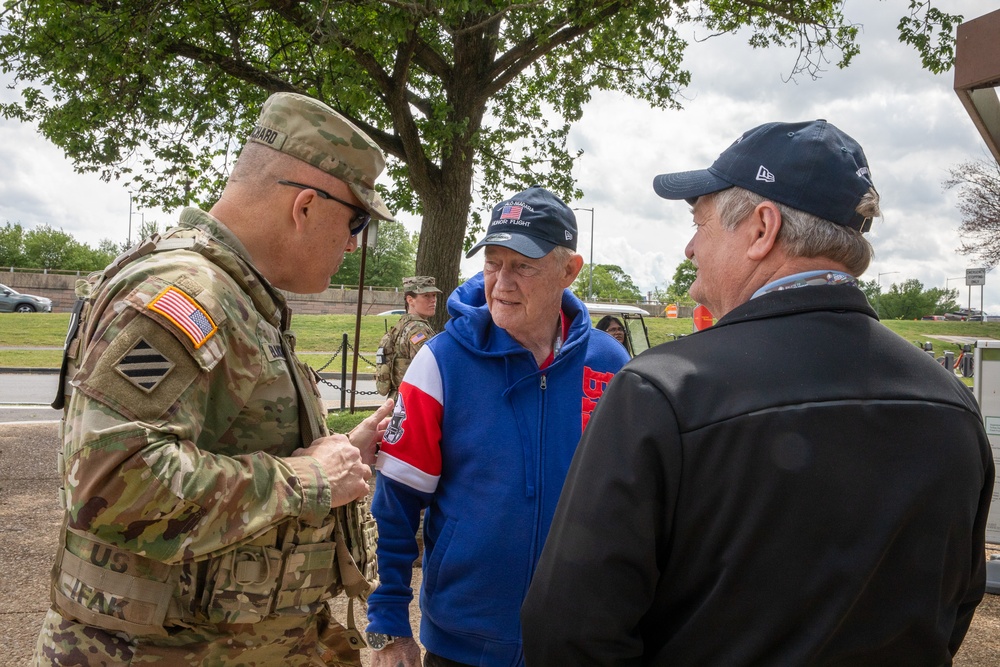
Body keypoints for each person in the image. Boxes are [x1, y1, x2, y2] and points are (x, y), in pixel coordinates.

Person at [521, 120, 994, 665]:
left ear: (762, 228)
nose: (689, 248)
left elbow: (568, 630)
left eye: (699, 222)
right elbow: (951, 609)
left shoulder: (663, 391)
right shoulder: (952, 406)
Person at [35, 92, 397, 666]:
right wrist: (308, 479)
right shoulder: (190, 293)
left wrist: (341, 454)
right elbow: (109, 476)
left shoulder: (238, 297)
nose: (354, 243)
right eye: (355, 222)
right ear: (305, 205)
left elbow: (219, 437)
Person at [365, 185, 630, 666]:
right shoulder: (441, 360)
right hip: (463, 644)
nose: (501, 283)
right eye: (493, 263)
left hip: (582, 641)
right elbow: (397, 499)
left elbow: (635, 504)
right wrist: (388, 620)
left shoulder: (610, 364)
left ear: (570, 270)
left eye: (523, 266)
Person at [375, 276, 442, 399]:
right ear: (410, 300)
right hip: (413, 400)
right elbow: (430, 369)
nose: (433, 300)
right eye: (426, 296)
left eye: (434, 295)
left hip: (399, 398)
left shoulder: (402, 324)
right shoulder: (418, 329)